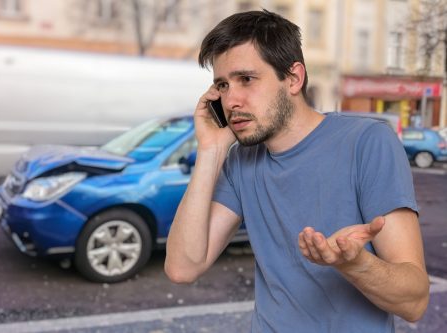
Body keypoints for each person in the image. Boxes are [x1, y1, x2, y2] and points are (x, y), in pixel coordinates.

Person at [164, 9, 429, 333]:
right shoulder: (240, 160)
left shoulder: (367, 142)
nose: (231, 100)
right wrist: (211, 149)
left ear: (293, 78)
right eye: (222, 84)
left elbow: (415, 302)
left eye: (246, 79)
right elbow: (182, 268)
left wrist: (356, 264)